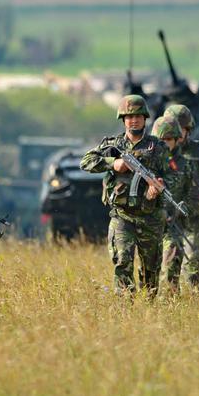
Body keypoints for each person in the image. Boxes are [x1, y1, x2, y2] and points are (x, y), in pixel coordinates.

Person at [80, 95, 170, 296]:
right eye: (129, 117)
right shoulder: (113, 144)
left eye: (138, 116)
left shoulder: (159, 147)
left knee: (151, 271)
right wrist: (113, 164)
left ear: (145, 118)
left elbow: (170, 178)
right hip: (122, 215)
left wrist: (157, 189)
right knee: (123, 261)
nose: (134, 120)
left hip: (150, 217)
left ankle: (149, 311)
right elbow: (86, 161)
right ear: (123, 119)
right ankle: (124, 309)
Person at [163, 104, 199, 293]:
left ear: (188, 128)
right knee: (169, 267)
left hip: (195, 219)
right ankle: (171, 311)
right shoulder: (160, 152)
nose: (176, 132)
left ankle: (198, 305)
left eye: (180, 127)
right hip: (170, 219)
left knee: (191, 265)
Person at [152, 115, 197, 294]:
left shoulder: (185, 164)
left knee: (171, 260)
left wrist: (180, 210)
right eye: (160, 139)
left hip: (172, 224)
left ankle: (169, 304)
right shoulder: (147, 161)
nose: (164, 143)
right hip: (149, 223)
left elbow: (194, 195)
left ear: (177, 139)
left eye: (169, 139)